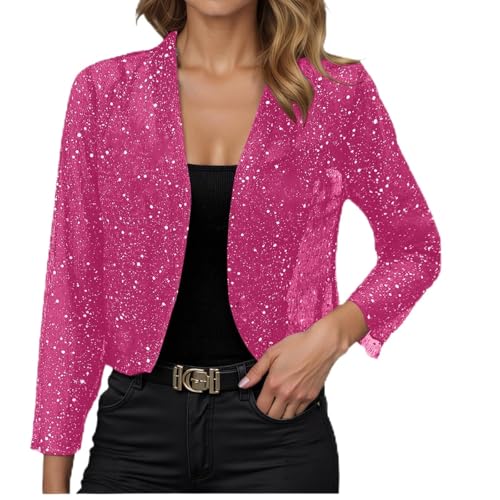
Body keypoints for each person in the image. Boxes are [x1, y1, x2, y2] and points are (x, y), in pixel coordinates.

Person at [31, 0, 441, 494]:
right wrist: (53, 484)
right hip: (135, 433)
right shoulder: (106, 91)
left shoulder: (335, 93)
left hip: (279, 431)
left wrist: (330, 337)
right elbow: (73, 290)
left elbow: (415, 247)